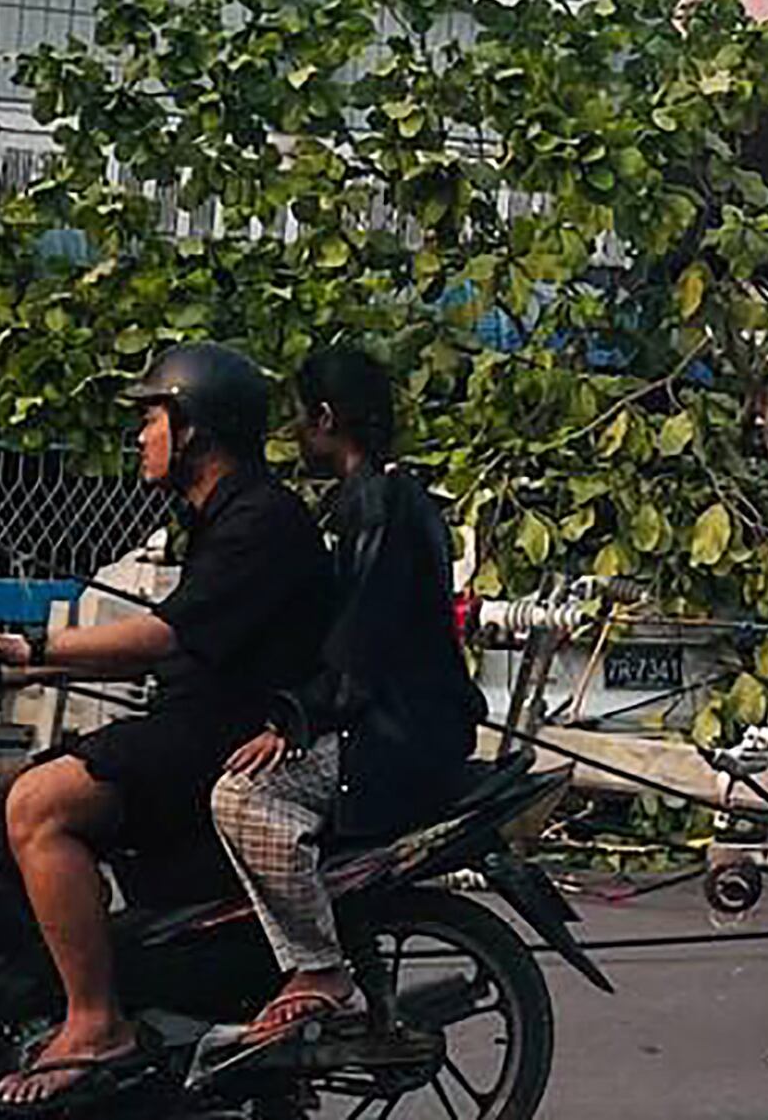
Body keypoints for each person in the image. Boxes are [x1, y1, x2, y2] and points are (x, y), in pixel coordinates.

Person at [0, 343, 332, 1107]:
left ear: (193, 428)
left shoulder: (260, 520)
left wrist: (30, 646)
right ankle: (80, 982)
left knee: (38, 806)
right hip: (196, 717)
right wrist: (16, 666)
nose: (141, 437)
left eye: (150, 419)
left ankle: (96, 1022)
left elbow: (163, 638)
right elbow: (165, 647)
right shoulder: (216, 515)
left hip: (230, 734)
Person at [199, 342, 484, 1070]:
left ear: (326, 418)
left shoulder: (380, 505)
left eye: (301, 418)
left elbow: (362, 643)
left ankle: (320, 965)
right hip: (397, 721)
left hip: (396, 736)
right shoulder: (377, 497)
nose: (297, 433)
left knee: (242, 796)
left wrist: (292, 721)